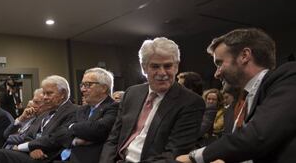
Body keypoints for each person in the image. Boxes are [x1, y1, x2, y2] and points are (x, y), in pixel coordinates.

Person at [176, 28, 296, 163]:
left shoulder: (290, 76)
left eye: (219, 63)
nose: (216, 74)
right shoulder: (239, 104)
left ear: (244, 56)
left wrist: (193, 157)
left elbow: (258, 136)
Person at [99, 37, 205, 162]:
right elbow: (113, 139)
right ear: (144, 68)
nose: (162, 72)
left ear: (176, 67)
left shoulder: (191, 102)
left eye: (168, 66)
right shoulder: (132, 93)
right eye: (155, 66)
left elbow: (173, 154)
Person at [0, 75, 77, 163]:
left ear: (62, 94)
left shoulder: (73, 111)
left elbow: (57, 138)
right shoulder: (46, 112)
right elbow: (29, 135)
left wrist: (29, 146)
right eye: (44, 93)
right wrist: (32, 149)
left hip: (49, 157)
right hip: (32, 153)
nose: (45, 97)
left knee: (2, 155)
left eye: (49, 93)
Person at [55, 67, 118, 163]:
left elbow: (98, 129)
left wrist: (71, 127)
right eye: (82, 85)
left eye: (88, 85)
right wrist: (75, 141)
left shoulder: (114, 107)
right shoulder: (82, 109)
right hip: (69, 157)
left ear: (104, 88)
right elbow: (60, 132)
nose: (83, 89)